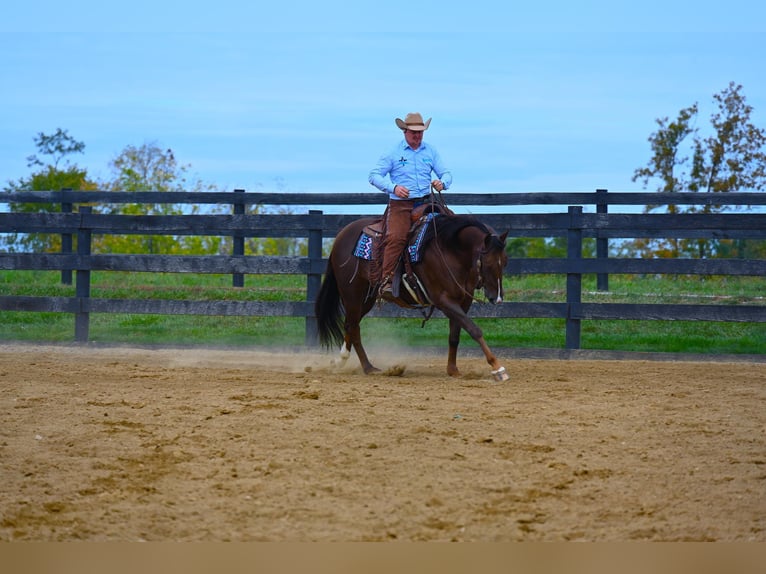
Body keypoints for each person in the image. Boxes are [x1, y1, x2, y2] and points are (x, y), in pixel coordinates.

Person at [368, 112, 452, 300]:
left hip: (427, 201)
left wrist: (442, 183)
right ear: (405, 131)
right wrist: (394, 187)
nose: (417, 136)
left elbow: (446, 173)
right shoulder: (393, 152)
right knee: (396, 236)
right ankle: (387, 280)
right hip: (401, 205)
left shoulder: (430, 151)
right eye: (414, 132)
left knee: (453, 225)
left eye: (420, 132)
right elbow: (374, 176)